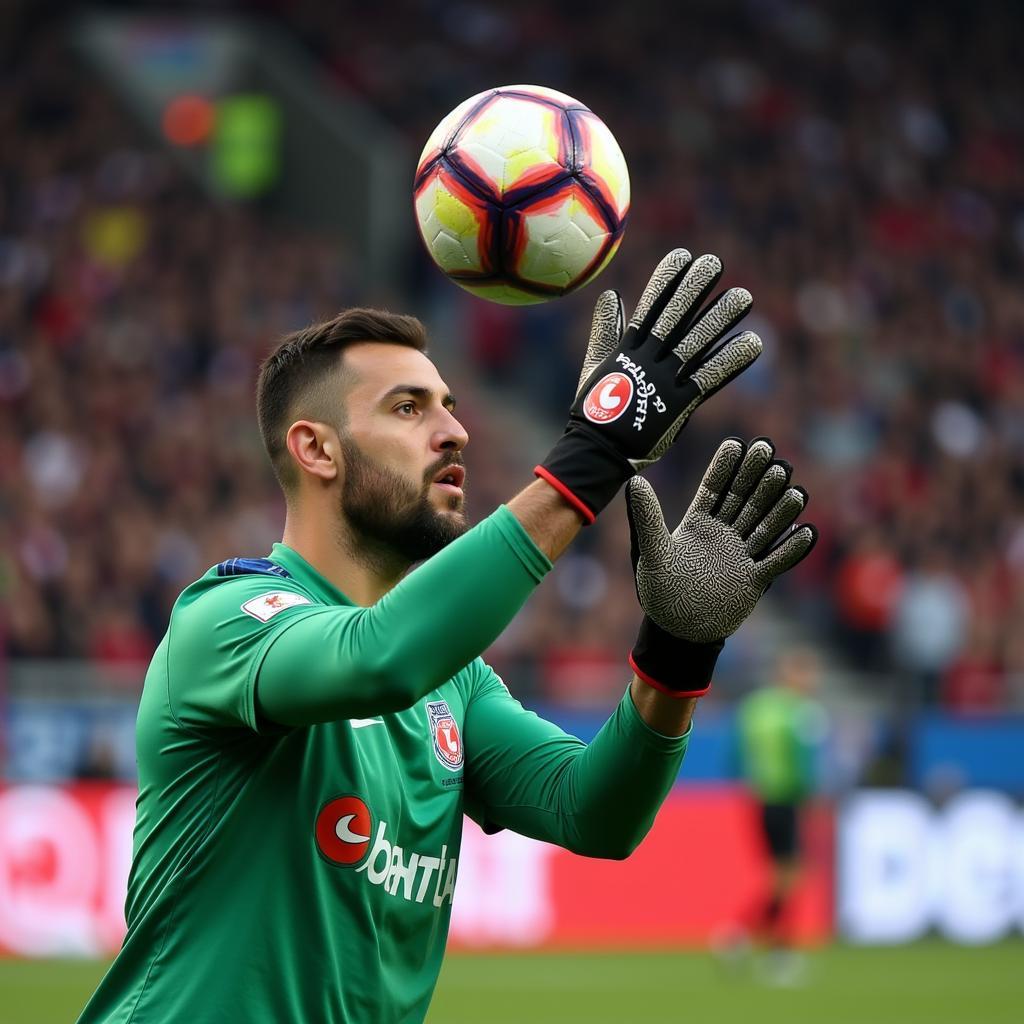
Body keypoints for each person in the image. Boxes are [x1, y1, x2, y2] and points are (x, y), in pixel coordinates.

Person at [77, 249, 816, 1023]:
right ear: (316, 448)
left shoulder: (454, 683)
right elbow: (377, 658)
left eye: (450, 405)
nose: (455, 431)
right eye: (409, 408)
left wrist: (675, 654)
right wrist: (593, 453)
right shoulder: (225, 620)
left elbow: (596, 812)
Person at [733, 646, 827, 983]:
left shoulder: (755, 707)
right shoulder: (800, 712)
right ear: (789, 674)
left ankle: (743, 938)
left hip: (760, 799)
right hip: (787, 799)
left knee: (782, 876)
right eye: (806, 673)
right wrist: (810, 800)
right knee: (789, 876)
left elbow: (735, 757)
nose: (810, 681)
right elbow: (803, 764)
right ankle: (771, 949)